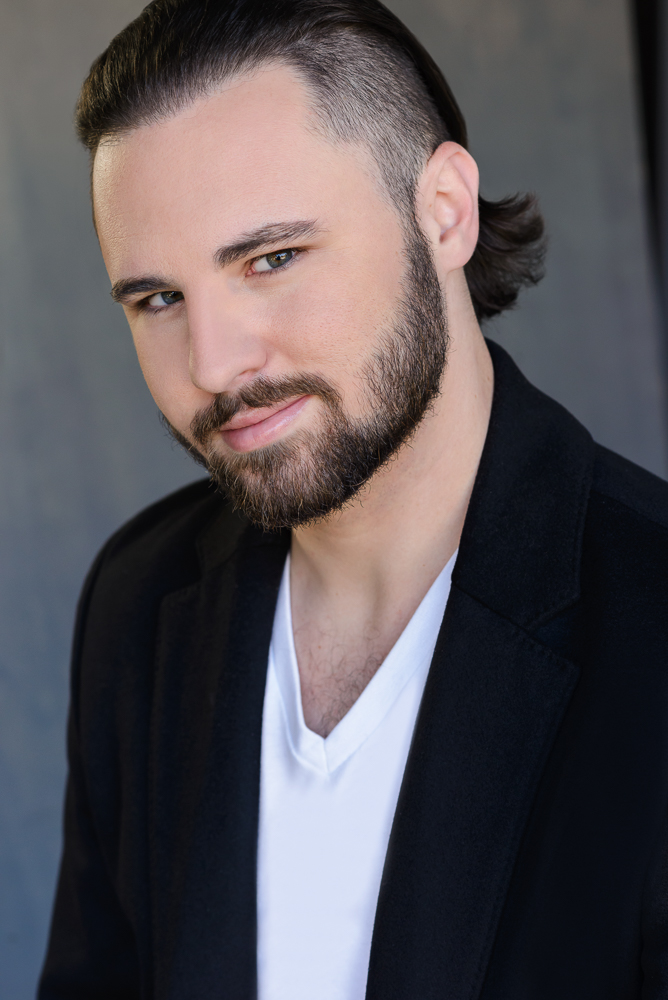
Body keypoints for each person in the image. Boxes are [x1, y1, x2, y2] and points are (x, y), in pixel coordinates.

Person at [38, 0, 668, 997]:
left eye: (271, 259)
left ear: (444, 212)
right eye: (159, 299)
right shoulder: (140, 601)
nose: (213, 365)